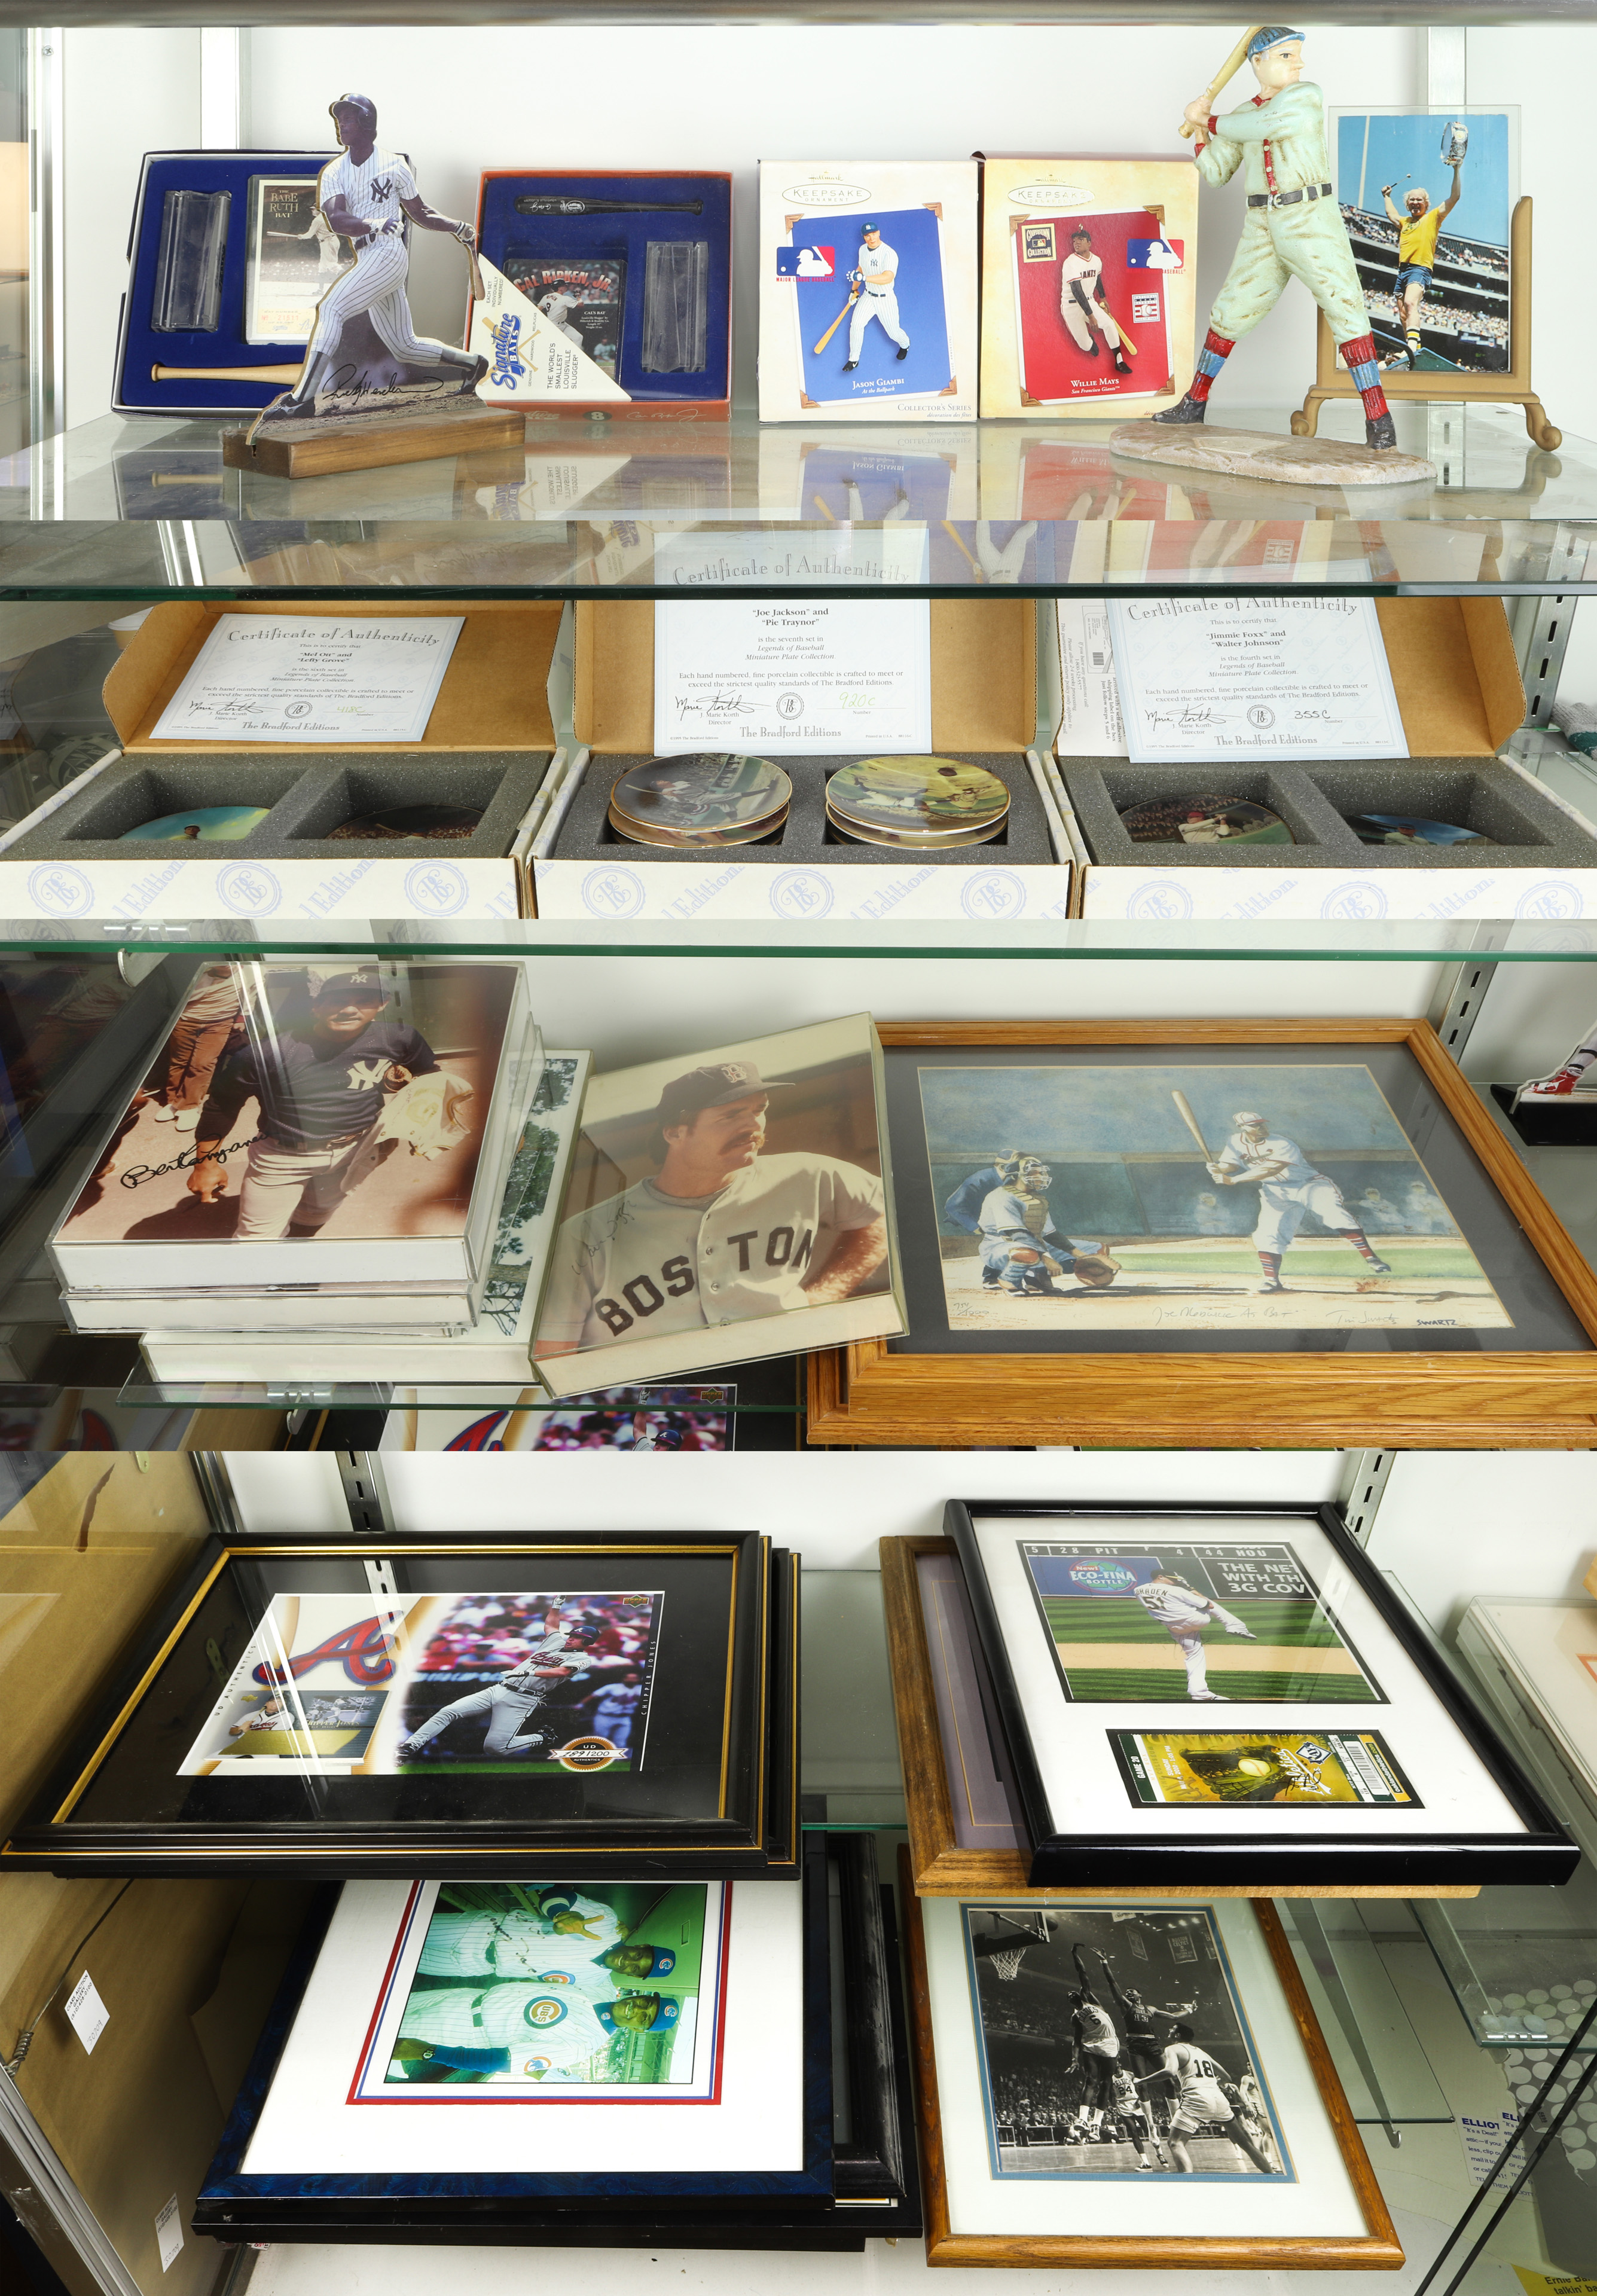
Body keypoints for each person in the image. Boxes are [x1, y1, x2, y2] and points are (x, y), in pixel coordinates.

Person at [538, 1058, 887, 1355]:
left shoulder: (809, 1174)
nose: (753, 1125)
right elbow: (554, 1353)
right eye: (731, 1115)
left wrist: (826, 1294)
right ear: (675, 1133)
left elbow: (881, 1216)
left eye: (759, 1110)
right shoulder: (590, 1233)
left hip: (784, 1360)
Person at [1156, 28, 1396, 448]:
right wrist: (1199, 133)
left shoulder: (1305, 96)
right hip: (1262, 223)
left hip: (1308, 216)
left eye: (1297, 55)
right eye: (1286, 56)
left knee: (1344, 306)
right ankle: (1194, 403)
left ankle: (1378, 420)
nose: (1298, 63)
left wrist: (1208, 119)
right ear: (1258, 63)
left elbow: (1274, 123)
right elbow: (1215, 173)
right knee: (1230, 310)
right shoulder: (1242, 114)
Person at [267, 93, 486, 419]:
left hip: (388, 254)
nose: (342, 126)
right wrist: (373, 222)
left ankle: (303, 399)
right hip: (369, 253)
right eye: (340, 120)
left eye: (350, 119)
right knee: (404, 346)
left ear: (367, 124)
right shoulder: (334, 172)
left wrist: (457, 226)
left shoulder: (394, 164)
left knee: (331, 307)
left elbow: (421, 212)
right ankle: (474, 363)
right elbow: (337, 220)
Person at [186, 970, 444, 1242]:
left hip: (360, 1147)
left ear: (382, 1005)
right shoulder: (268, 1053)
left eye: (364, 1000)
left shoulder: (400, 1038)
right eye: (337, 1001)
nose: (349, 1009)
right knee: (255, 1239)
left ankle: (293, 1265)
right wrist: (205, 1165)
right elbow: (222, 1106)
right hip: (284, 1156)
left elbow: (428, 1073)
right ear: (316, 1006)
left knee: (316, 1213)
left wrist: (418, 1117)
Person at [1207, 1109, 1393, 1293]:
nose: (1262, 1127)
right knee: (1267, 1233)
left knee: (1333, 1212)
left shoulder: (1282, 1143)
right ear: (1242, 1128)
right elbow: (1231, 1163)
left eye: (1262, 1123)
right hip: (1276, 1191)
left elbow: (1272, 1169)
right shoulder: (1234, 1141)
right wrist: (1219, 1168)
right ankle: (1271, 1281)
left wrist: (1233, 1180)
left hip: (1309, 1185)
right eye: (1255, 1125)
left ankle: (1371, 1258)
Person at [973, 1156, 1117, 1299]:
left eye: (1040, 1172)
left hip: (1035, 1242)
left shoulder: (1037, 1199)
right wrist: (1048, 1259)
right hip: (1000, 1244)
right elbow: (1017, 1233)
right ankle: (1009, 1280)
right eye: (1033, 1172)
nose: (1039, 1176)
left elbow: (1050, 1234)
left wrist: (1081, 1256)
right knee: (1027, 1253)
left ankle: (1038, 1279)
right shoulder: (1002, 1196)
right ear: (1016, 1175)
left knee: (1098, 1250)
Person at [417, 1888, 636, 1974]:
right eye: (639, 1957)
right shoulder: (607, 1923)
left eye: (637, 1970)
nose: (629, 1963)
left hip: (477, 1967)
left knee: (395, 1962)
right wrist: (560, 1913)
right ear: (642, 1946)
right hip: (482, 1931)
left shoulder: (597, 1979)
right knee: (402, 1933)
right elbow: (555, 1894)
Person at [1156, 2023, 1277, 2174]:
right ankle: (1271, 2174)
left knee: (1175, 2143)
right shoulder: (1201, 2052)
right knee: (1246, 2144)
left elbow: (1170, 2071)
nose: (1169, 2030)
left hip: (1197, 2097)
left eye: (1172, 2029)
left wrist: (1141, 2081)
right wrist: (1213, 2084)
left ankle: (1189, 2183)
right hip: (1218, 2097)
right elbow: (1227, 2077)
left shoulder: (1172, 2049)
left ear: (1178, 2036)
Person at [1381, 152, 1464, 368]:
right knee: (1402, 314)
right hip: (1403, 271)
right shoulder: (1405, 222)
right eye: (1412, 200)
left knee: (1410, 303)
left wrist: (1456, 170)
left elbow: (1454, 197)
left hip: (1420, 268)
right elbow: (1391, 215)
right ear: (1408, 205)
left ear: (1426, 203)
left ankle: (1412, 346)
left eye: (1419, 199)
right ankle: (1411, 345)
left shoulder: (1433, 217)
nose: (1415, 202)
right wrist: (1387, 197)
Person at [1132, 1568, 1255, 1703]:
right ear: (1160, 1577)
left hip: (1174, 1627)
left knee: (1194, 1655)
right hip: (1195, 1620)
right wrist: (1193, 1591)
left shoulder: (1138, 1590)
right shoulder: (1177, 1590)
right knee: (1207, 1601)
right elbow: (1208, 1606)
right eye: (1172, 1579)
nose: (1174, 1582)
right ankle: (1235, 1626)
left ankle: (1199, 1693)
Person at [152, 963, 242, 1134]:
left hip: (219, 1023)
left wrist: (241, 1020)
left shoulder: (249, 975)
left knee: (203, 1063)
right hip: (187, 1019)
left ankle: (190, 1107)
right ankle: (173, 1102)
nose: (226, 965)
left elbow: (251, 996)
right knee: (179, 1061)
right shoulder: (198, 974)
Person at [1059, 226, 1132, 376]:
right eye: (1074, 241)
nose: (1077, 243)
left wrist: (1103, 297)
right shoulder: (1070, 262)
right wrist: (1091, 316)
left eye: (1081, 240)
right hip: (1072, 305)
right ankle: (1089, 342)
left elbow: (1097, 278)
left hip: (1090, 301)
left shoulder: (1097, 260)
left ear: (1089, 243)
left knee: (1110, 325)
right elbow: (1077, 291)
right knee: (1086, 346)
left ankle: (1119, 361)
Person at [843, 221, 911, 373]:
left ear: (879, 233)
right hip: (868, 296)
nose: (872, 238)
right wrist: (854, 290)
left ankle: (905, 344)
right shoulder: (862, 250)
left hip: (885, 298)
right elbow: (860, 269)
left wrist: (864, 278)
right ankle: (853, 360)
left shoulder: (889, 253)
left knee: (893, 333)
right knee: (856, 325)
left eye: (874, 234)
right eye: (867, 235)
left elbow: (887, 277)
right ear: (864, 237)